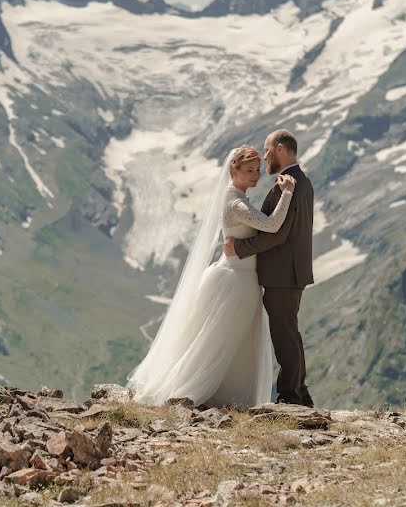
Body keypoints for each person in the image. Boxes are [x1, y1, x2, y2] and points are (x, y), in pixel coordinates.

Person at [127, 145, 296, 408]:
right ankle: (199, 393)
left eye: (258, 170)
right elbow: (272, 225)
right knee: (220, 341)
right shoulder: (236, 203)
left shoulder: (237, 197)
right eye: (249, 171)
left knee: (232, 341)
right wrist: (287, 194)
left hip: (240, 277)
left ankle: (228, 396)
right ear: (233, 170)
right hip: (236, 281)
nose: (256, 175)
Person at [224, 129, 314, 407]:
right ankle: (299, 391)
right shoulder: (301, 180)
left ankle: (291, 395)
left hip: (283, 274)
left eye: (266, 150)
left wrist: (240, 248)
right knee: (289, 332)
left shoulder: (289, 184)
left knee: (284, 334)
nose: (264, 158)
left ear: (280, 149)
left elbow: (277, 233)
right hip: (290, 272)